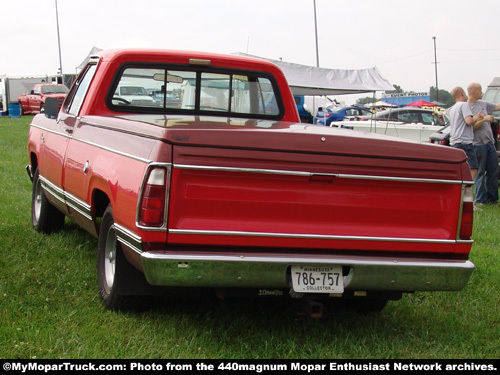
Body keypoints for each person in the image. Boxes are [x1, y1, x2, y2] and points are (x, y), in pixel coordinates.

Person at [467, 82, 500, 204]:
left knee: (493, 171)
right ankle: (481, 199)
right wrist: (484, 119)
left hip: (489, 143)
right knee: (480, 172)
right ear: (474, 92)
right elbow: (471, 127)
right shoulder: (467, 107)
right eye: (480, 90)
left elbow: (496, 107)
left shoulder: (484, 104)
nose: (482, 93)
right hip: (478, 145)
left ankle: (493, 198)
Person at [448, 87, 485, 180]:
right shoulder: (464, 105)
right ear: (462, 94)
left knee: (458, 169)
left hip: (454, 142)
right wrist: (476, 118)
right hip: (465, 143)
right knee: (473, 168)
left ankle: (459, 186)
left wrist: (475, 117)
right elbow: (469, 121)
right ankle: (466, 187)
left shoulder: (453, 108)